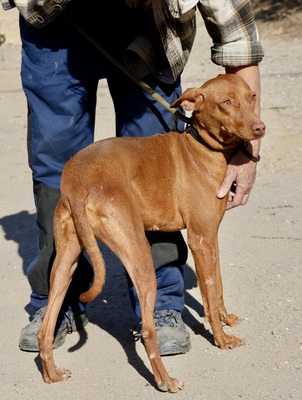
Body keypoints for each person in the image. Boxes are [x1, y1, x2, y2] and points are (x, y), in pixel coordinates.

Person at [0, 0, 264, 355]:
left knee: (160, 171)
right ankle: (56, 301)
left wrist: (248, 149)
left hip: (150, 30)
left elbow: (239, 40)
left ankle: (160, 306)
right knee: (56, 165)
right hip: (55, 24)